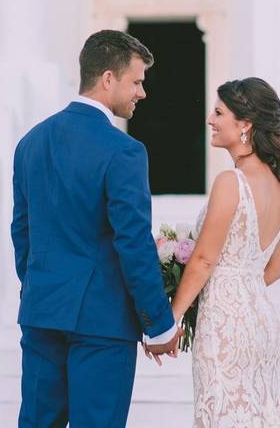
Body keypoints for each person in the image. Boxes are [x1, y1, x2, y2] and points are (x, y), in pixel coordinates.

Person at [11, 30, 181, 428]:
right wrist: (159, 324)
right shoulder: (124, 151)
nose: (142, 93)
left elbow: (22, 231)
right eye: (137, 81)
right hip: (102, 322)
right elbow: (133, 244)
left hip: (41, 312)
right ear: (108, 78)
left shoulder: (30, 142)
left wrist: (40, 287)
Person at [164, 77, 280, 427]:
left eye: (219, 112)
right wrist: (242, 291)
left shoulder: (230, 182)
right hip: (262, 323)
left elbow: (204, 259)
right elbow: (276, 267)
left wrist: (173, 317)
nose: (210, 119)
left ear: (245, 125)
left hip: (225, 325)